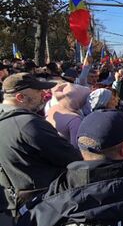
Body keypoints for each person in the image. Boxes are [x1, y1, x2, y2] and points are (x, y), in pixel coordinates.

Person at [0, 73, 81, 217]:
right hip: (45, 205)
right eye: (38, 91)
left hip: (18, 204)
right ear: (20, 97)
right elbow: (72, 157)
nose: (44, 94)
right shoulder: (28, 124)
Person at [46, 83, 91, 148]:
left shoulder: (53, 108)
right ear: (78, 100)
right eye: (85, 99)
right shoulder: (75, 120)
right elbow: (76, 148)